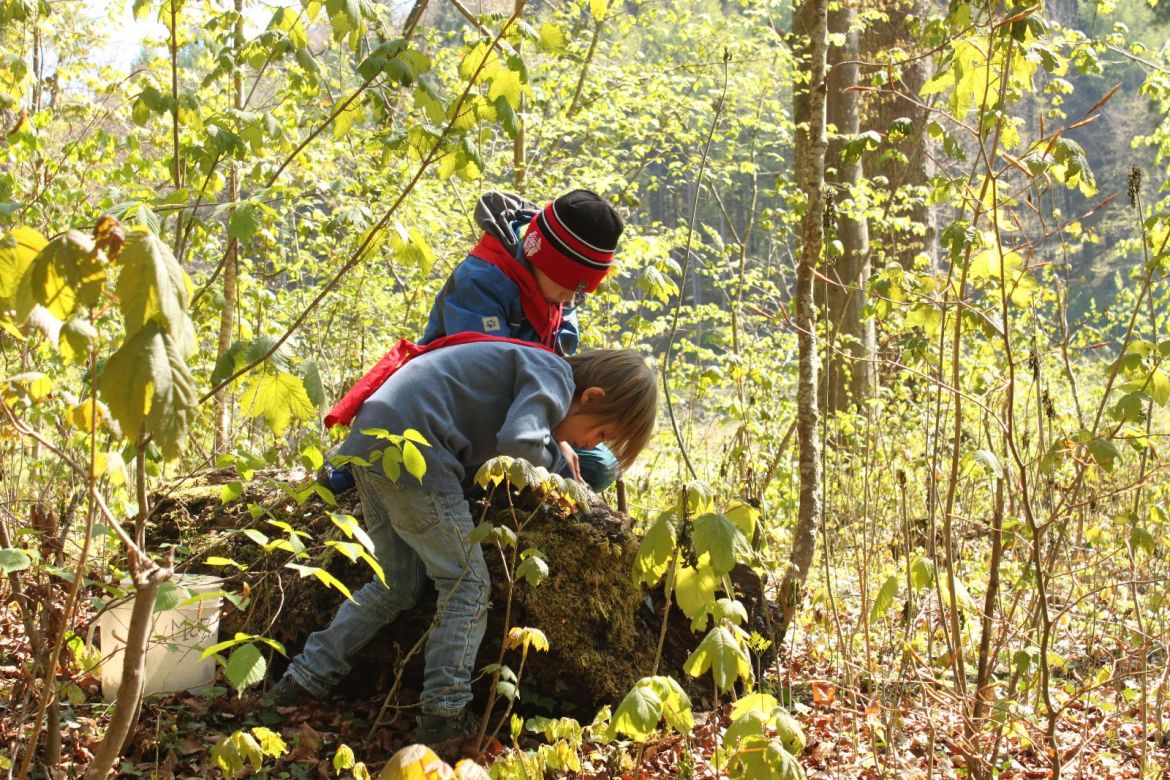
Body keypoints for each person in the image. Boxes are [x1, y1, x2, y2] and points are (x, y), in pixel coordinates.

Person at [273, 342, 658, 744]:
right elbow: (519, 441)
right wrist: (564, 474)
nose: (588, 445)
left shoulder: (533, 368)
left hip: (376, 445)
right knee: (467, 586)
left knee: (396, 585)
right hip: (415, 453)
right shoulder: (554, 376)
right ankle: (444, 714)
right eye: (600, 434)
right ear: (591, 397)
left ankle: (301, 681)